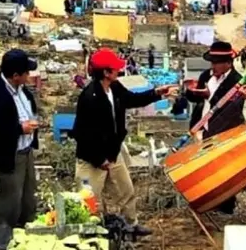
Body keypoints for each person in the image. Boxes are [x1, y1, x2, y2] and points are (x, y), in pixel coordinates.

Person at [71, 48, 176, 234]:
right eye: (115, 68)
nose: (119, 71)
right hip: (91, 159)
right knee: (89, 200)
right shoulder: (89, 97)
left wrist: (157, 93)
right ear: (105, 72)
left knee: (125, 190)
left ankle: (131, 225)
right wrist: (99, 159)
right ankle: (90, 234)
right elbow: (82, 134)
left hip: (112, 153)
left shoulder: (115, 88)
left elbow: (132, 99)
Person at [171, 41, 245, 214]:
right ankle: (206, 199)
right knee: (204, 167)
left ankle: (226, 205)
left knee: (224, 170)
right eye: (211, 62)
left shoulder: (237, 82)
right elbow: (195, 99)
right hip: (201, 127)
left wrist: (209, 97)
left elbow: (231, 111)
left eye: (216, 63)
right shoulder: (206, 76)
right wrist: (195, 93)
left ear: (228, 63)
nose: (213, 66)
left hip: (223, 131)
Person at [0, 49, 40, 250]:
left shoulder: (20, 91)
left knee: (28, 197)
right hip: (9, 156)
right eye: (26, 72)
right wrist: (20, 129)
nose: (29, 76)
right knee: (10, 200)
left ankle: (27, 236)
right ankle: (2, 241)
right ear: (15, 75)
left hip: (25, 152)